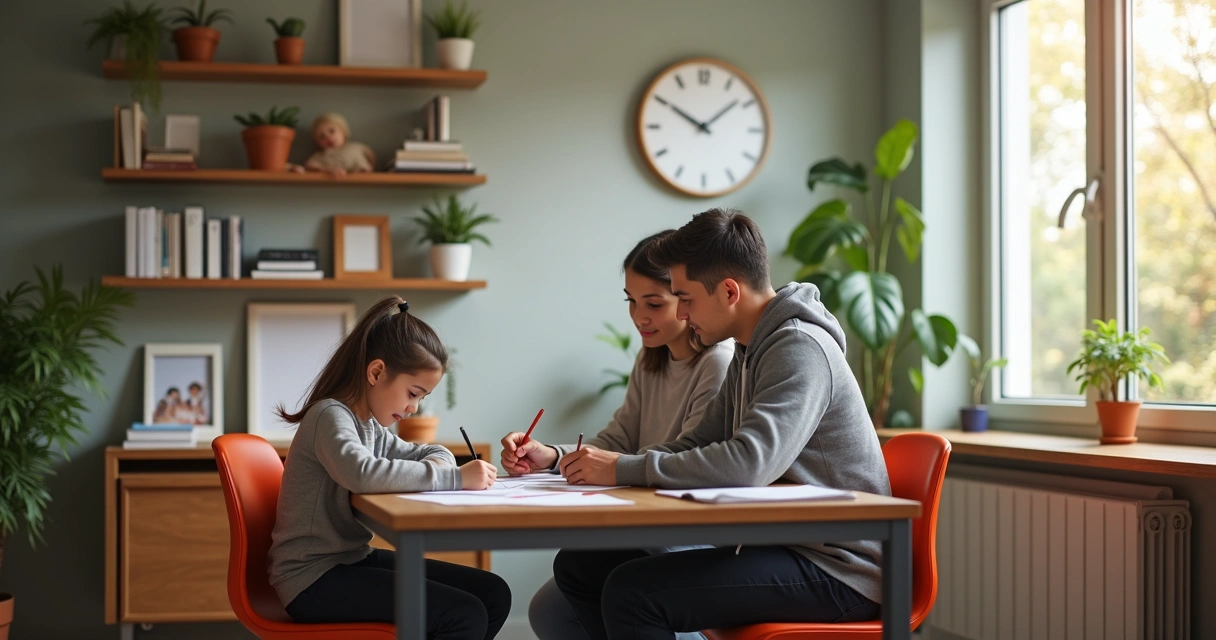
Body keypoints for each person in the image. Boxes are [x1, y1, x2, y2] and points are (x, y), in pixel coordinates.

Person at [553, 208, 891, 639]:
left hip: (838, 569)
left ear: (729, 291)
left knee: (633, 594)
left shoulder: (799, 347)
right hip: (782, 548)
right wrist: (611, 466)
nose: (683, 313)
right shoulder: (752, 349)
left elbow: (749, 464)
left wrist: (621, 469)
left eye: (686, 299)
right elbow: (697, 441)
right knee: (580, 566)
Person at [500, 230, 733, 640]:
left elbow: (691, 458)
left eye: (654, 304)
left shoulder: (718, 363)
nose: (639, 317)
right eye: (631, 300)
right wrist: (551, 456)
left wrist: (611, 469)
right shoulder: (652, 357)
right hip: (648, 524)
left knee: (590, 587)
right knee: (549, 612)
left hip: (692, 534)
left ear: (687, 299)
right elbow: (620, 439)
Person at [267, 296, 510, 639]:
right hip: (312, 577)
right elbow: (361, 474)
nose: (413, 409)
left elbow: (428, 450)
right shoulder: (330, 415)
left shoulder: (369, 425)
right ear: (377, 372)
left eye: (421, 399)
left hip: (350, 560)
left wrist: (443, 466)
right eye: (413, 393)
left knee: (492, 593)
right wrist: (454, 476)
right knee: (463, 613)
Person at [295, 112, 375, 176]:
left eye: (332, 131)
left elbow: (369, 153)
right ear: (317, 143)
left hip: (361, 178)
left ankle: (362, 170)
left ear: (343, 131)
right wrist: (326, 170)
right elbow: (309, 166)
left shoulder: (356, 147)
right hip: (338, 179)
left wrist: (371, 166)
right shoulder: (323, 155)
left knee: (363, 166)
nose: (328, 138)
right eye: (322, 137)